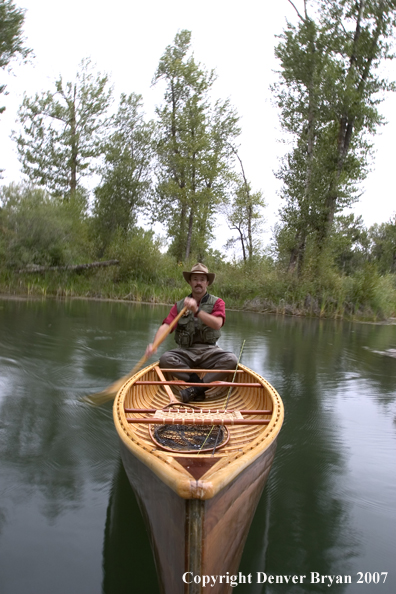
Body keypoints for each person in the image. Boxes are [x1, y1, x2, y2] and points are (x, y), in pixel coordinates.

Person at [145, 263, 238, 403]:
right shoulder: (179, 305)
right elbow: (166, 325)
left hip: (210, 351)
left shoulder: (218, 302)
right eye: (195, 279)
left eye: (202, 279)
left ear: (207, 282)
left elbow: (217, 323)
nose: (198, 282)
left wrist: (197, 311)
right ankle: (198, 385)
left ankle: (194, 389)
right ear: (190, 282)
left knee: (232, 360)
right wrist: (154, 344)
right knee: (165, 359)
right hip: (186, 351)